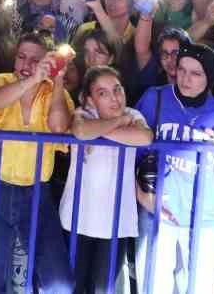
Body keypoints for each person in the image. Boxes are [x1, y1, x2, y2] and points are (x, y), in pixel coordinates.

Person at [0, 32, 76, 294]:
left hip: (37, 193)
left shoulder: (56, 91)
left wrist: (58, 80)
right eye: (21, 57)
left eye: (35, 60)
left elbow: (59, 127)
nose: (26, 64)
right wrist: (33, 79)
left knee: (59, 282)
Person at [139, 43, 214, 294]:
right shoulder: (155, 98)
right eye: (182, 70)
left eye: (196, 73)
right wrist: (141, 195)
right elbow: (132, 152)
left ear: (209, 77)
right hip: (157, 208)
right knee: (154, 285)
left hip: (203, 214)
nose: (186, 79)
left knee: (201, 287)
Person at [61, 66, 150, 294]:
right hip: (79, 217)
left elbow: (144, 137)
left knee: (103, 288)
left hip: (116, 221)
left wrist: (100, 131)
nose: (114, 98)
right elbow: (81, 131)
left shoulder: (133, 115)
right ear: (90, 100)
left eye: (117, 89)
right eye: (103, 93)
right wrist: (119, 122)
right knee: (74, 286)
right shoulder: (84, 115)